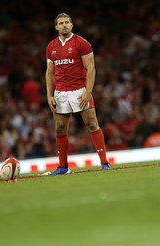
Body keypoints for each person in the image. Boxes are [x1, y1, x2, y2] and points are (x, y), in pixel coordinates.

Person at [45, 13, 111, 175]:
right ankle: (62, 167)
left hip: (79, 90)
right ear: (56, 27)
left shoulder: (82, 43)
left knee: (91, 124)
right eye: (61, 23)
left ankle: (104, 162)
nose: (64, 25)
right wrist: (49, 95)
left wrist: (88, 92)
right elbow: (49, 73)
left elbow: (91, 68)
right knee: (60, 128)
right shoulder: (51, 47)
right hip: (61, 92)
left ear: (72, 24)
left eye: (67, 22)